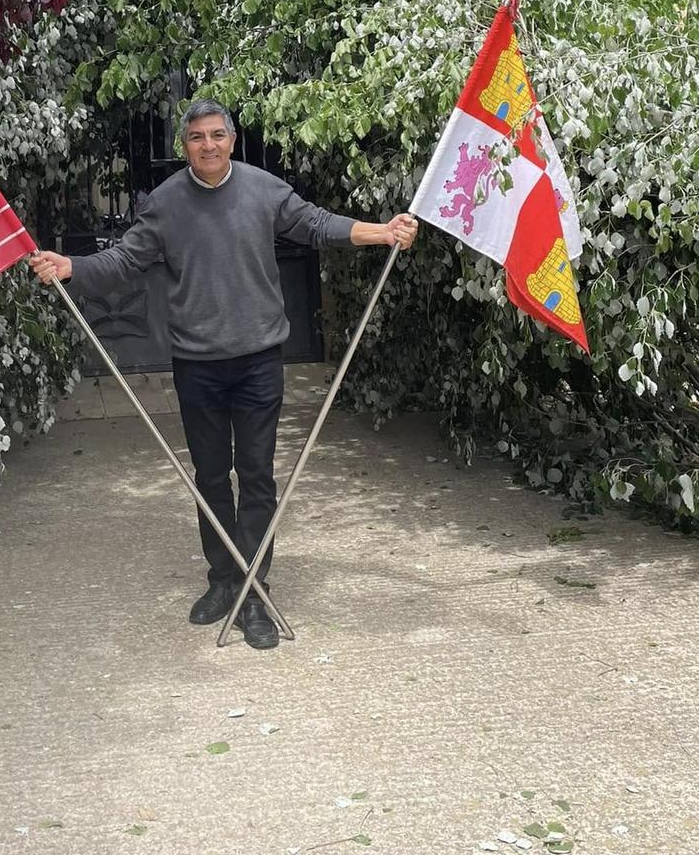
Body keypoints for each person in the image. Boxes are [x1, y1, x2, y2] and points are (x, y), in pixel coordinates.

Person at [28, 99, 418, 649]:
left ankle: (253, 593)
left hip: (259, 360)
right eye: (195, 138)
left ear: (232, 140)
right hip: (197, 364)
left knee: (256, 475)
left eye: (216, 135)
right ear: (184, 145)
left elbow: (316, 225)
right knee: (209, 478)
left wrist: (381, 232)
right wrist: (73, 267)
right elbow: (125, 261)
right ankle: (223, 579)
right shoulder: (164, 204)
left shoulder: (264, 189)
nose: (207, 145)